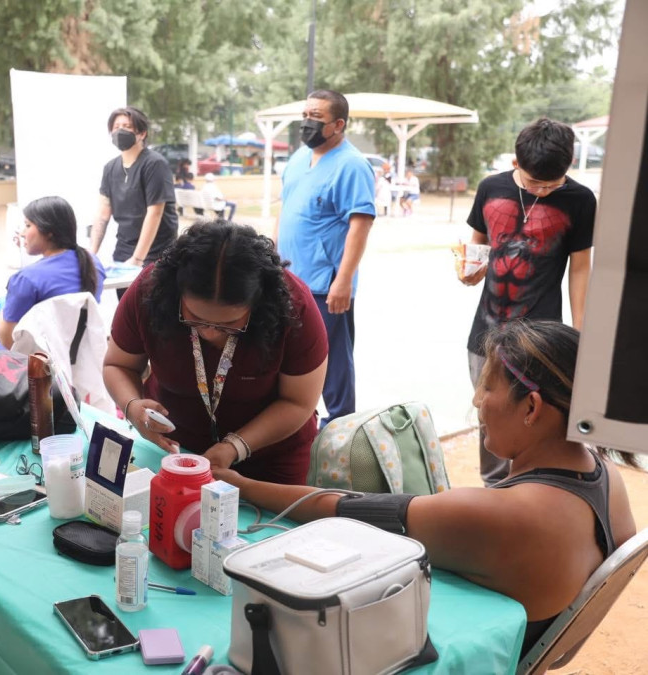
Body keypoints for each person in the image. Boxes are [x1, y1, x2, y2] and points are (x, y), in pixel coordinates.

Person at [212, 319, 638, 657]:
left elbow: (341, 510)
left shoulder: (503, 515)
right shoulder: (604, 476)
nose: (476, 401)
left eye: (487, 386)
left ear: (531, 407)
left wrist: (241, 484)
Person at [103, 220, 328, 485]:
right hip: (175, 450)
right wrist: (132, 406)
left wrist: (234, 447)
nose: (210, 332)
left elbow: (298, 402)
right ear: (177, 293)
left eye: (230, 324)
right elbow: (118, 365)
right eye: (194, 318)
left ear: (257, 303)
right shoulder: (150, 292)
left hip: (271, 456)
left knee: (270, 525)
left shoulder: (293, 307)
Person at [459, 118, 595, 486]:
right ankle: (493, 489)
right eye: (536, 183)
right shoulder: (491, 188)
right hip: (485, 333)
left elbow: (580, 267)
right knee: (489, 412)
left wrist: (579, 328)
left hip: (540, 338)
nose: (545, 190)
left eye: (553, 184)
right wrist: (470, 270)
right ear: (516, 163)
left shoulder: (581, 200)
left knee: (538, 420)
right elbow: (477, 247)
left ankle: (531, 491)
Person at [276, 89, 376, 428]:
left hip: (325, 285)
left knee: (332, 362)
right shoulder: (296, 160)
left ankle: (341, 429)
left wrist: (344, 280)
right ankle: (298, 424)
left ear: (338, 124)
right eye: (305, 115)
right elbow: (286, 211)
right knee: (289, 357)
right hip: (289, 278)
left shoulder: (352, 166)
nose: (307, 123)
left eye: (316, 118)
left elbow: (359, 225)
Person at [0, 195, 106, 348]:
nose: (22, 233)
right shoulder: (93, 263)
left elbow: (7, 338)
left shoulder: (26, 279)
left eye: (27, 226)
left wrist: (3, 308)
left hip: (36, 364)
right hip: (79, 359)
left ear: (48, 231)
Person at [90, 106, 179, 271]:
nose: (120, 131)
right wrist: (90, 255)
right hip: (124, 249)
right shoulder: (110, 168)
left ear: (142, 133)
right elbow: (103, 214)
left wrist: (138, 259)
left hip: (156, 253)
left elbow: (155, 213)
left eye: (127, 127)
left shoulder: (154, 164)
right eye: (116, 127)